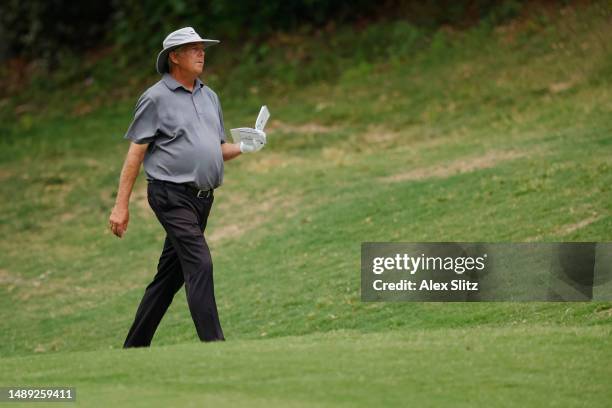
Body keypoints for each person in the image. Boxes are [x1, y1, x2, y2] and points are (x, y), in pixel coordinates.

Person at [108, 27, 266, 348]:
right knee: (200, 263)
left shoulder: (210, 97)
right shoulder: (154, 99)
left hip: (202, 200)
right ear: (174, 57)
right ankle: (215, 346)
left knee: (170, 277)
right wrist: (120, 206)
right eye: (192, 48)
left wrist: (246, 146)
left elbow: (217, 150)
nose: (201, 53)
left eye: (201, 48)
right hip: (169, 194)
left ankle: (133, 347)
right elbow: (136, 153)